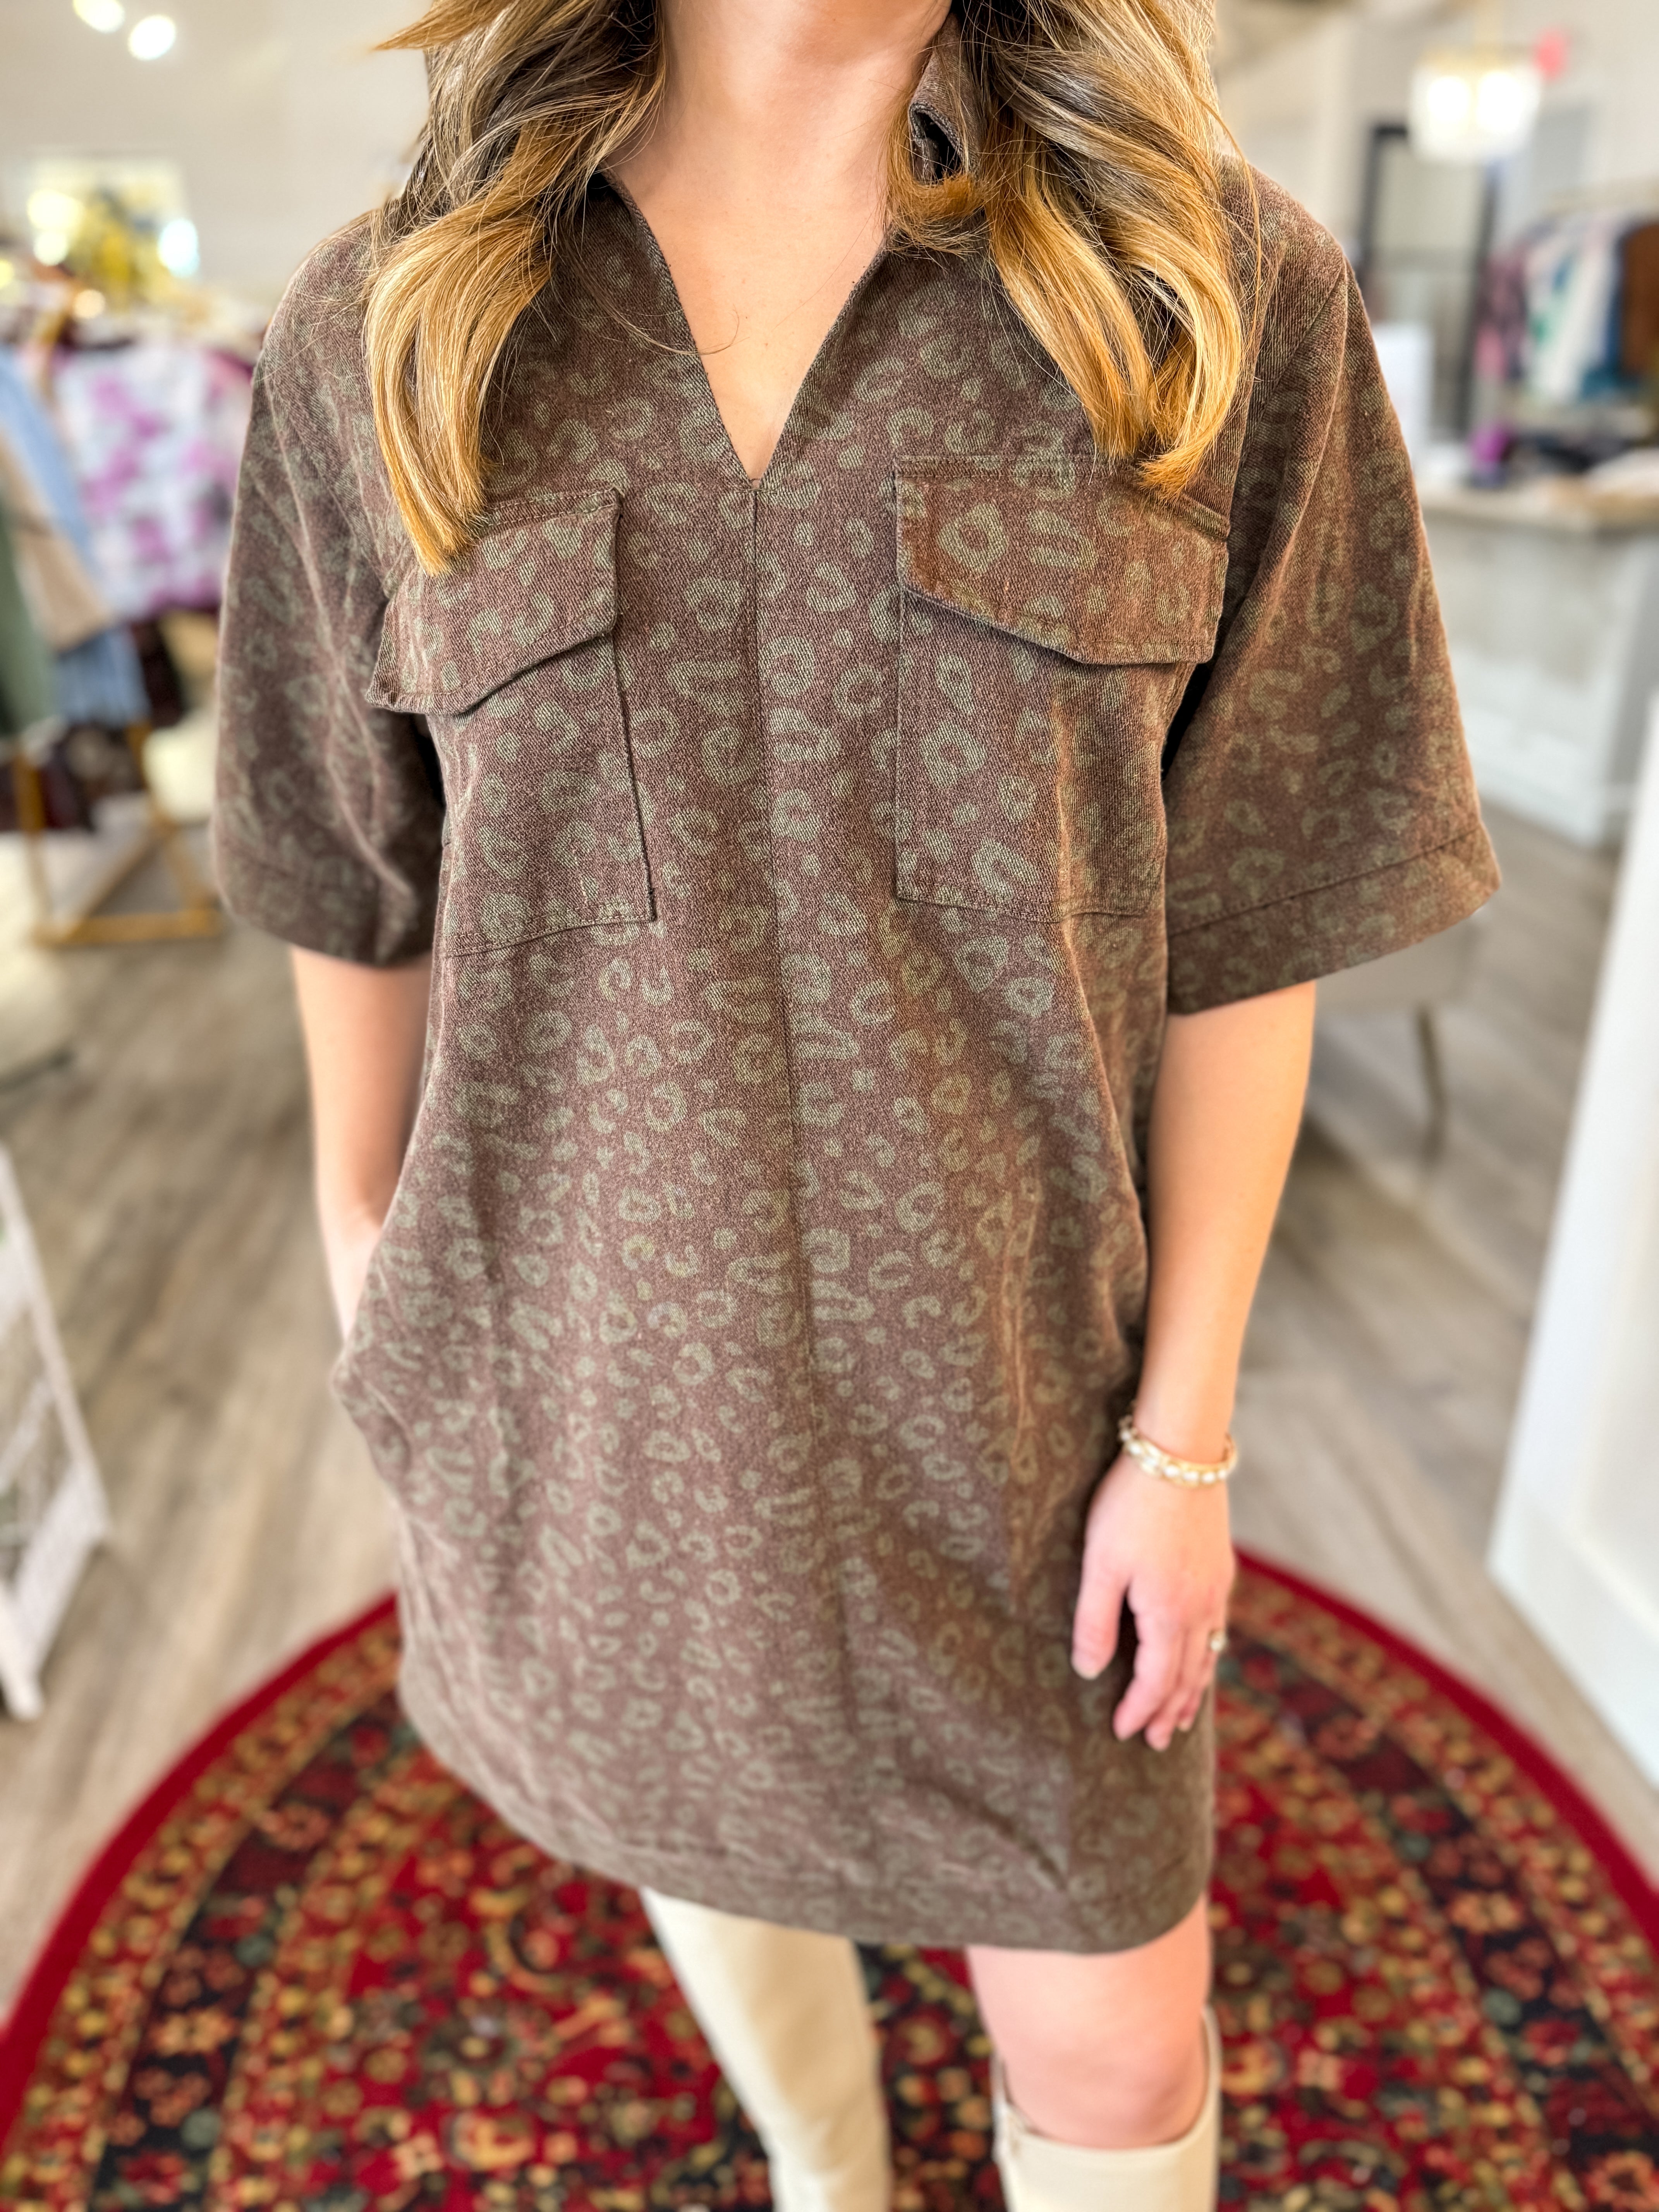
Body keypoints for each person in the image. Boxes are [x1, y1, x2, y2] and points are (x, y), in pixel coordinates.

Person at [213, 0, 1499, 2206]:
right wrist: (372, 1275)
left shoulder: (1206, 292)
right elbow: (351, 869)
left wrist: (1185, 1438)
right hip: (605, 1404)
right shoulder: (399, 322)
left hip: (1026, 1427)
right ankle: (835, 2181)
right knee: (700, 1838)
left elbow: (1259, 910)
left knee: (1117, 2052)